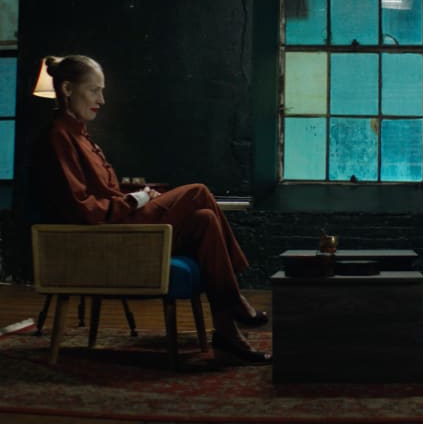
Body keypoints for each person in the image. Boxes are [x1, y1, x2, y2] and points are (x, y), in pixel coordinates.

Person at [35, 54, 271, 365]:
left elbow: (105, 194)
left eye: (101, 91)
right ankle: (234, 299)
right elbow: (84, 210)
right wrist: (135, 200)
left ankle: (227, 333)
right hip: (104, 239)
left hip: (119, 228)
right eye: (94, 90)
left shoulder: (80, 135)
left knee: (205, 219)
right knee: (198, 193)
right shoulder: (59, 136)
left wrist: (139, 196)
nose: (102, 100)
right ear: (67, 89)